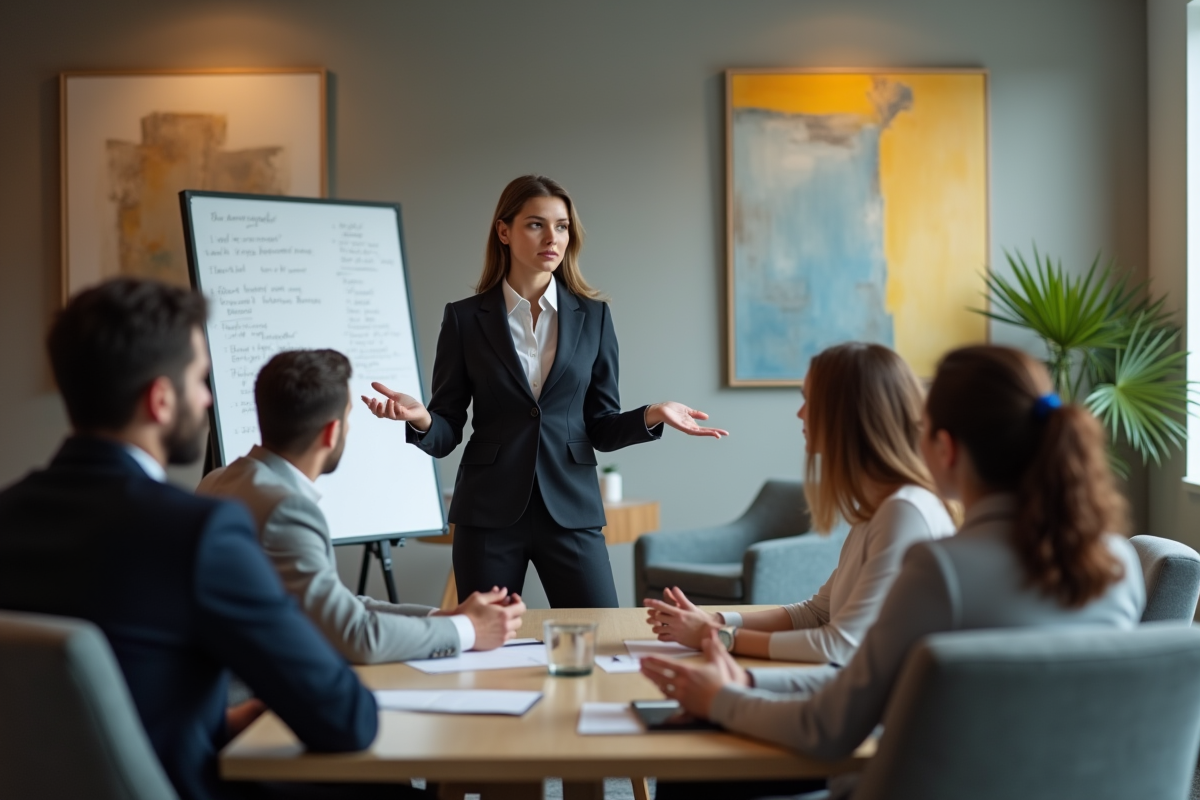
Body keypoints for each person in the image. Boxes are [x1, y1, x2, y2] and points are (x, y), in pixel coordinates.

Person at [640, 345, 1145, 800]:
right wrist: (744, 677)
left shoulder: (942, 569)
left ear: (945, 448)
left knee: (692, 778)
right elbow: (877, 681)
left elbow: (834, 722)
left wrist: (724, 698)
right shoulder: (1119, 564)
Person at [0, 279, 416, 800]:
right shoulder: (199, 532)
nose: (208, 398)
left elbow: (97, 702)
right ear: (160, 400)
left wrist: (223, 719)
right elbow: (346, 719)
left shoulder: (8, 515)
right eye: (200, 379)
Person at [362, 175, 728, 608]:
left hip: (571, 509)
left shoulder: (594, 317)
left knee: (600, 638)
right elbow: (446, 433)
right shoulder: (464, 320)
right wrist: (421, 418)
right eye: (536, 224)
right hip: (487, 514)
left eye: (562, 226)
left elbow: (602, 427)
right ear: (504, 231)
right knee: (486, 649)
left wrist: (653, 413)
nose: (552, 237)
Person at [199, 348, 526, 664]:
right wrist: (468, 630)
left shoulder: (217, 481)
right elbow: (356, 636)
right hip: (258, 700)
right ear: (332, 432)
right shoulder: (287, 510)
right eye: (348, 418)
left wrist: (443, 617)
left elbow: (339, 606)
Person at [644, 343, 955, 667]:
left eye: (809, 400)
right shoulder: (878, 507)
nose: (800, 413)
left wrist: (715, 637)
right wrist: (715, 620)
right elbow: (818, 612)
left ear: (847, 413)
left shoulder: (903, 513)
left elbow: (839, 646)